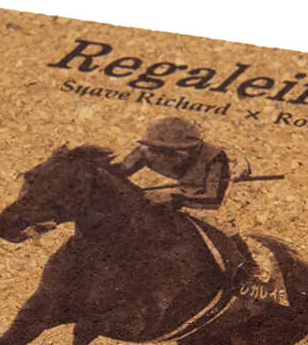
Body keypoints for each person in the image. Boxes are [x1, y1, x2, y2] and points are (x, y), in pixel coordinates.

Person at [110, 117, 258, 283]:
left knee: (219, 224)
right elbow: (116, 173)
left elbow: (213, 198)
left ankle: (249, 266)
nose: (162, 158)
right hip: (182, 185)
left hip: (224, 182)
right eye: (158, 151)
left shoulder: (214, 157)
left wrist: (174, 198)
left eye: (173, 153)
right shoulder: (146, 150)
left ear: (192, 149)